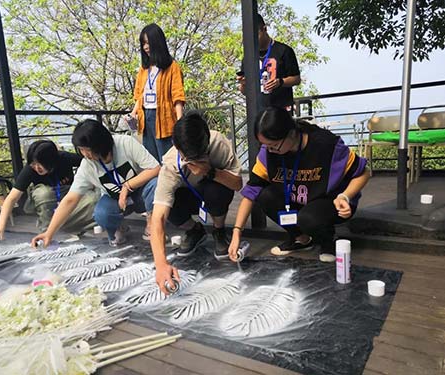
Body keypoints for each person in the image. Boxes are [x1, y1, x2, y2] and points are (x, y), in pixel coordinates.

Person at [228, 107, 370, 263]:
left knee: (309, 218)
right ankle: (301, 239)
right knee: (265, 196)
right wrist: (237, 232)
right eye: (265, 146)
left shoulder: (326, 145)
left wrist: (345, 196)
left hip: (331, 202)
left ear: (290, 134)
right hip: (297, 199)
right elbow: (251, 193)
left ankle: (327, 240)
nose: (269, 150)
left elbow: (364, 172)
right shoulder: (268, 152)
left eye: (273, 146)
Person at [150, 112, 243, 294]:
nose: (193, 160)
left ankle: (218, 231)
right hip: (189, 198)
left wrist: (211, 171)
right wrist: (161, 264)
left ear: (207, 140)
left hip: (211, 192)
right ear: (177, 147)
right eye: (187, 157)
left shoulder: (219, 144)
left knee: (217, 191)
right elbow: (158, 218)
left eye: (200, 154)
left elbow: (238, 184)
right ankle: (194, 230)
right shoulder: (171, 164)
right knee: (168, 204)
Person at [31, 119, 160, 248]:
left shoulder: (125, 143)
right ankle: (117, 227)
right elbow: (70, 200)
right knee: (102, 213)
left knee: (156, 184)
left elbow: (155, 168)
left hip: (140, 192)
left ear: (100, 143)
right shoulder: (87, 166)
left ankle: (152, 223)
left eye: (88, 149)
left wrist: (127, 186)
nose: (86, 154)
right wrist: (49, 233)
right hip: (114, 198)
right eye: (81, 150)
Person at [0, 140, 97, 243]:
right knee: (44, 193)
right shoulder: (30, 170)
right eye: (33, 164)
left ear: (52, 160)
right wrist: (0, 227)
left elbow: (92, 163)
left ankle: (75, 227)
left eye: (40, 164)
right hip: (45, 202)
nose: (37, 168)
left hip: (68, 197)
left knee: (94, 198)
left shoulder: (64, 157)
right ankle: (46, 229)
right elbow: (11, 198)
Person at [126, 23, 185, 162]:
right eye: (143, 43)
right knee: (151, 161)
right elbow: (139, 95)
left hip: (164, 118)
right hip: (145, 117)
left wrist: (180, 123)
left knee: (168, 160)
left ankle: (170, 183)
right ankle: (156, 184)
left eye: (148, 42)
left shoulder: (172, 67)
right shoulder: (143, 69)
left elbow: (178, 96)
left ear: (157, 42)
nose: (146, 47)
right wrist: (133, 113)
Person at [237, 13, 301, 112]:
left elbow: (296, 79)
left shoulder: (284, 51)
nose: (254, 40)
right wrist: (243, 84)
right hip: (258, 113)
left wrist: (280, 82)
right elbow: (244, 91)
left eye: (256, 35)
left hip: (281, 111)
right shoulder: (248, 58)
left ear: (264, 29)